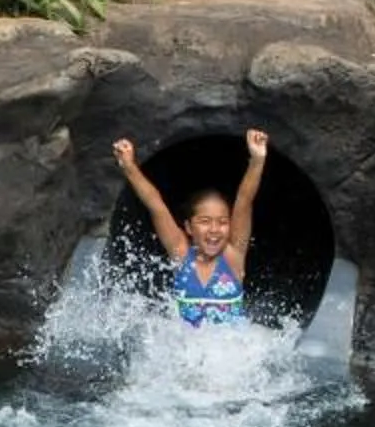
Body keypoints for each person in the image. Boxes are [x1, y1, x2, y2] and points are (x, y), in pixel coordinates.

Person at [111, 130, 269, 327]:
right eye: (205, 221)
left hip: (229, 353)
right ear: (189, 227)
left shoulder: (233, 256)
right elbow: (155, 205)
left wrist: (257, 160)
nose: (214, 229)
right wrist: (129, 167)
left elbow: (244, 201)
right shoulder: (182, 254)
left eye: (222, 222)